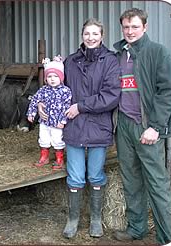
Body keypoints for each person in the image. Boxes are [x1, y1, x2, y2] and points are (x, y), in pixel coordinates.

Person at [112, 8, 171, 244]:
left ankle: (167, 238)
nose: (130, 31)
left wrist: (155, 126)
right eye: (126, 27)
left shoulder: (158, 53)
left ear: (145, 27)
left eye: (135, 27)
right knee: (131, 180)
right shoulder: (119, 54)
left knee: (157, 183)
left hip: (147, 127)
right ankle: (137, 228)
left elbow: (168, 93)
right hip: (124, 125)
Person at [53, 18, 121, 239]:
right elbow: (58, 89)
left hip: (98, 127)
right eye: (87, 34)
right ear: (82, 36)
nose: (90, 38)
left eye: (95, 34)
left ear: (102, 36)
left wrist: (81, 107)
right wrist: (44, 105)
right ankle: (72, 220)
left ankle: (96, 219)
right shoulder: (70, 61)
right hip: (74, 127)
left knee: (95, 174)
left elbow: (111, 96)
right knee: (75, 176)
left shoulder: (110, 61)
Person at [26, 55, 72, 170]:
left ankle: (59, 159)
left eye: (55, 76)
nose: (52, 79)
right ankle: (44, 157)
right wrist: (31, 113)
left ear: (61, 77)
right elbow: (35, 100)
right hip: (44, 121)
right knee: (43, 138)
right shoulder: (43, 90)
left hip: (57, 122)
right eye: (49, 76)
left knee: (57, 139)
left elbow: (67, 106)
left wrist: (63, 120)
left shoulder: (65, 91)